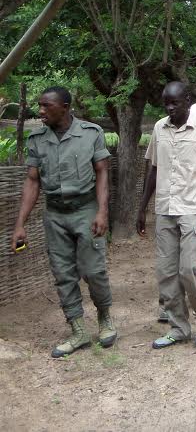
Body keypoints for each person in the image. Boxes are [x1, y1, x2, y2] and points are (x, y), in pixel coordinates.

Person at [11, 86, 116, 357]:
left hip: (86, 211)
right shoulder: (37, 138)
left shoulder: (90, 133)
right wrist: (20, 224)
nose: (41, 110)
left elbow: (102, 172)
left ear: (66, 107)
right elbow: (32, 181)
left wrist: (102, 212)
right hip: (55, 214)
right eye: (40, 105)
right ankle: (78, 329)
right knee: (63, 273)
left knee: (93, 271)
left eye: (47, 106)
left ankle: (104, 318)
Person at [136, 81, 196, 350]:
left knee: (190, 270)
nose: (170, 108)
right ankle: (178, 327)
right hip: (165, 208)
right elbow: (153, 170)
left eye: (174, 102)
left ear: (187, 99)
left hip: (194, 209)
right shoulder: (159, 128)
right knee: (166, 272)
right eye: (166, 103)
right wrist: (142, 208)